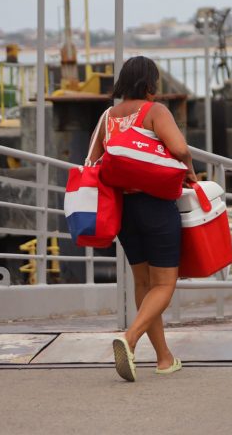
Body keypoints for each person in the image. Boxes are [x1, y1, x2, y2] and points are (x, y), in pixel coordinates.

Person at [93, 57, 196, 382]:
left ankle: (165, 358)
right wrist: (191, 173)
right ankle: (130, 338)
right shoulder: (155, 111)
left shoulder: (108, 116)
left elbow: (94, 158)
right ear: (150, 82)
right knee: (165, 283)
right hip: (155, 205)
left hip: (124, 208)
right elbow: (179, 149)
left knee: (143, 283)